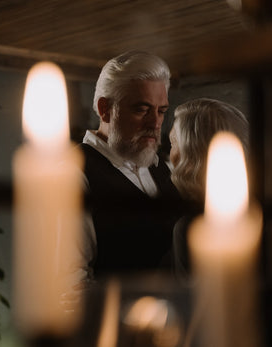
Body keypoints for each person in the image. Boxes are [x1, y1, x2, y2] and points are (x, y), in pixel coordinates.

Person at [79, 50, 182, 279]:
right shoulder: (74, 174)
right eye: (142, 109)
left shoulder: (159, 166)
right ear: (105, 109)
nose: (155, 123)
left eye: (161, 111)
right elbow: (70, 286)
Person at [168, 98, 250, 278]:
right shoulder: (258, 215)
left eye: (173, 143)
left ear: (189, 155)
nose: (170, 154)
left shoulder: (191, 229)